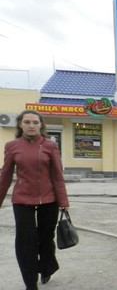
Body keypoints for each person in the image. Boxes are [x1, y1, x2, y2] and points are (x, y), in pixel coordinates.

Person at [0, 109, 70, 290]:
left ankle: (48, 267)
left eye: (35, 122)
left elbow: (57, 175)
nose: (31, 126)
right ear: (20, 125)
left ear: (41, 125)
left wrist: (63, 201)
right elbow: (5, 176)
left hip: (49, 200)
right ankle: (30, 283)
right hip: (22, 200)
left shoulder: (50, 146)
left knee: (46, 239)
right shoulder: (12, 146)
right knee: (25, 243)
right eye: (27, 122)